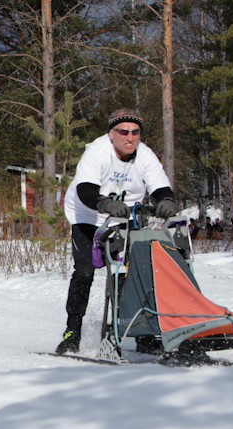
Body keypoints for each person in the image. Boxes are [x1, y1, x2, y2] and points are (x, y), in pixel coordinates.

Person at [56, 108, 178, 355]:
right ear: (111, 134)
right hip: (87, 215)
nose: (130, 138)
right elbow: (86, 191)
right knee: (85, 271)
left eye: (135, 132)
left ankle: (140, 332)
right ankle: (72, 332)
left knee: (134, 272)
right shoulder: (97, 152)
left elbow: (162, 188)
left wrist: (167, 201)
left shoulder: (144, 155)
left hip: (123, 216)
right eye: (123, 132)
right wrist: (104, 204)